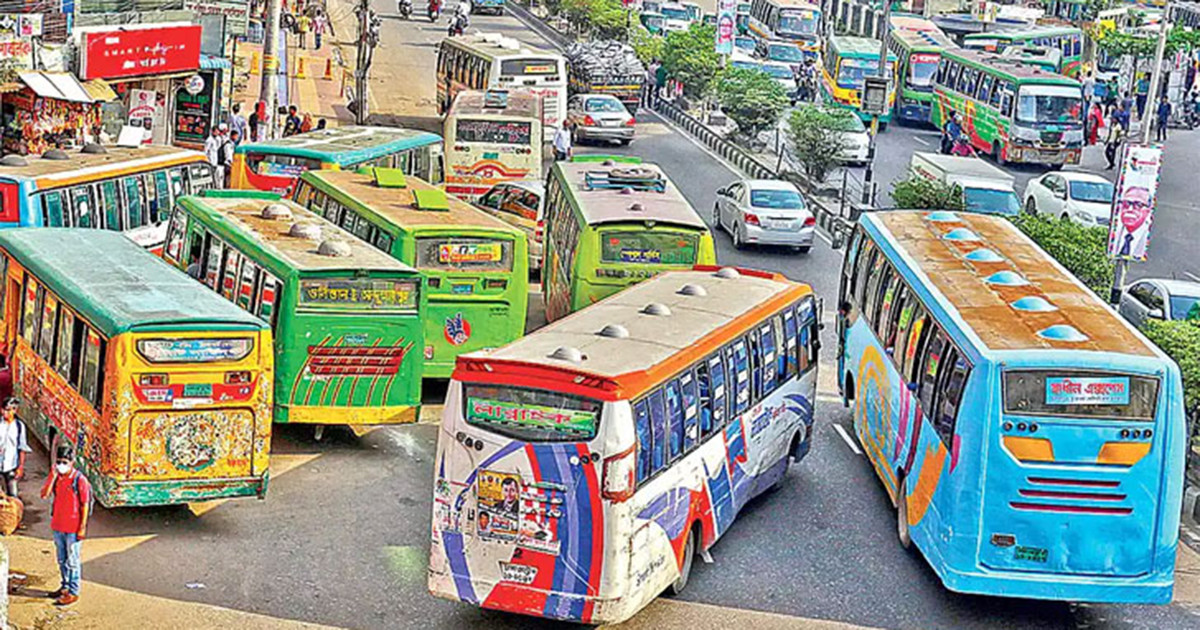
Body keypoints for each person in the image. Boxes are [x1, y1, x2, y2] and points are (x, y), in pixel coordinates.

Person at [41, 445, 91, 607]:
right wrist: (53, 476)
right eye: (59, 462)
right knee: (62, 559)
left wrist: (82, 527)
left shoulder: (79, 480)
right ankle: (65, 586)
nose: (61, 465)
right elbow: (44, 494)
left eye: (64, 462)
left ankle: (73, 591)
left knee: (73, 561)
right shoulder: (57, 477)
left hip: (73, 527)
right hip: (58, 525)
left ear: (72, 463)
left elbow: (85, 504)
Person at [0, 396, 30, 499]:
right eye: (4, 409)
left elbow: (22, 448)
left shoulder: (19, 427)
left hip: (11, 466)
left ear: (14, 410)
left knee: (12, 497)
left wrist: (20, 467)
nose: (5, 413)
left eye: (8, 410)